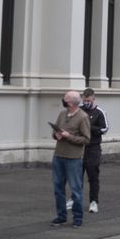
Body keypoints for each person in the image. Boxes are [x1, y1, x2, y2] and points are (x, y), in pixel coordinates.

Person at [50, 91, 90, 229]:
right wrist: (57, 135)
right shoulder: (62, 114)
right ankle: (61, 216)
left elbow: (86, 139)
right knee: (58, 188)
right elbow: (55, 132)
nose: (63, 100)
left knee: (75, 189)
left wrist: (69, 136)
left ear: (71, 102)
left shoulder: (82, 117)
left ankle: (78, 217)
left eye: (65, 99)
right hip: (59, 155)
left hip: (73, 158)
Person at [70, 88, 109, 214]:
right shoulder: (79, 110)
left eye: (88, 100)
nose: (86, 102)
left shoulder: (99, 112)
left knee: (93, 176)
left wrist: (89, 128)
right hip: (79, 148)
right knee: (76, 177)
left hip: (93, 149)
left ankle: (94, 202)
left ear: (93, 98)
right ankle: (74, 198)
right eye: (84, 100)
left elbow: (104, 128)